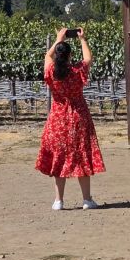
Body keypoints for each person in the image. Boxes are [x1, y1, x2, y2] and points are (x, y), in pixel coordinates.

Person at [35, 27, 105, 210]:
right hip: (78, 116)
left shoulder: (51, 72)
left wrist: (59, 39)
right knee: (81, 155)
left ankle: (58, 201)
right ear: (69, 56)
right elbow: (88, 59)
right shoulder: (76, 71)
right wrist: (83, 39)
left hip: (58, 119)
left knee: (59, 158)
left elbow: (47, 57)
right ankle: (87, 200)